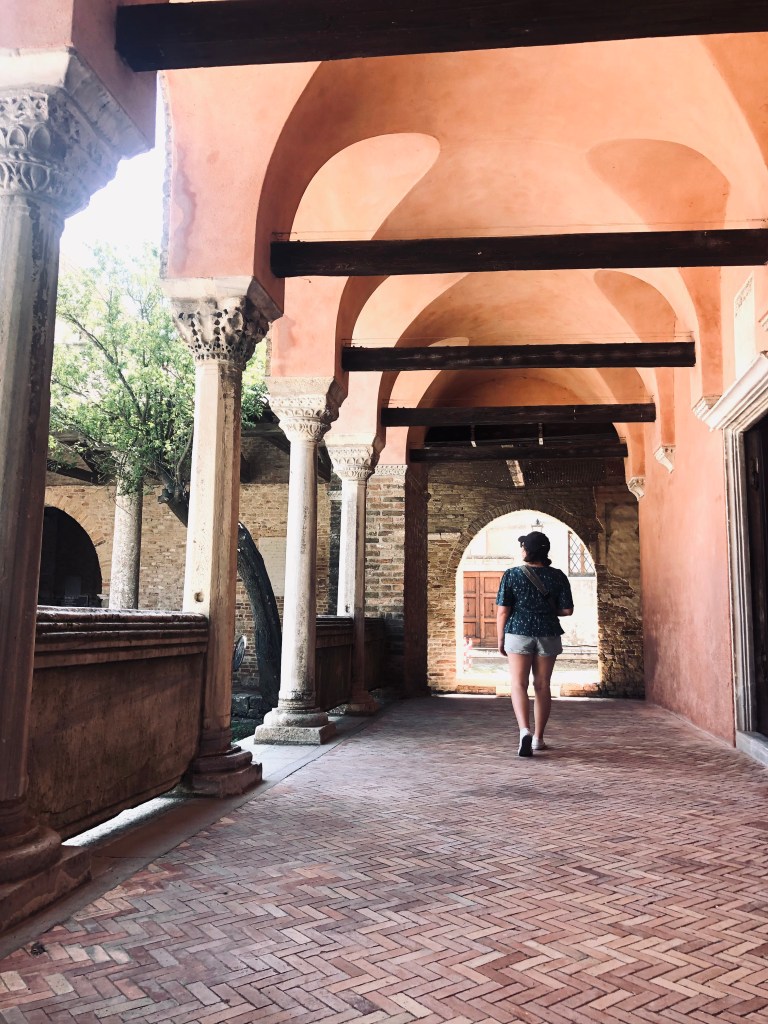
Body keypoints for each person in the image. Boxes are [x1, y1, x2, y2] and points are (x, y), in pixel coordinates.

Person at [496, 530, 574, 757]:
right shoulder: (558, 576)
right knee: (542, 685)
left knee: (518, 684)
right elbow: (567, 610)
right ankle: (539, 738)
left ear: (528, 551)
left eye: (523, 547)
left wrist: (501, 638)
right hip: (548, 633)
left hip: (518, 632)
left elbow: (503, 611)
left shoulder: (511, 575)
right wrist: (547, 611)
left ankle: (524, 731)